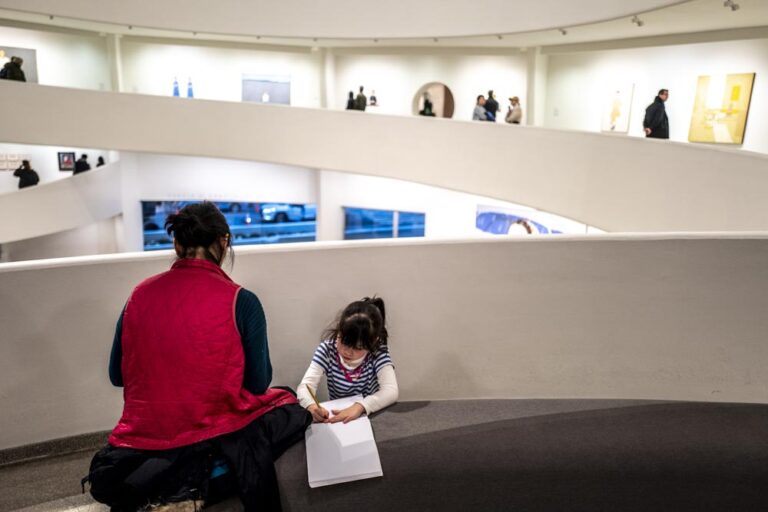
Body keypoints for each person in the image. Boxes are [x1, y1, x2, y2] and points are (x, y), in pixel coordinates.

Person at [84, 202, 310, 511]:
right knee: (288, 402)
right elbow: (258, 384)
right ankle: (200, 471)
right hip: (213, 430)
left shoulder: (138, 295)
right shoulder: (241, 301)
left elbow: (117, 375)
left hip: (142, 437)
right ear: (224, 241)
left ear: (177, 243)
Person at [297, 297, 398, 424]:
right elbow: (305, 387)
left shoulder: (377, 353)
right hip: (337, 418)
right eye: (343, 342)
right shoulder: (327, 350)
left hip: (368, 416)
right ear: (339, 330)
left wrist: (360, 407)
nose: (347, 352)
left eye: (358, 348)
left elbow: (391, 391)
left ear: (374, 341)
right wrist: (311, 406)